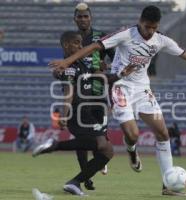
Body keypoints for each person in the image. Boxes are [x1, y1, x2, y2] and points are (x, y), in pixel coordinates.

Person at [49, 5, 186, 196]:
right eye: (147, 27)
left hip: (143, 90)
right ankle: (131, 148)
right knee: (133, 134)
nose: (150, 31)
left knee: (163, 133)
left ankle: (167, 186)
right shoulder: (126, 34)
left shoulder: (161, 40)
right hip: (120, 88)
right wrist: (67, 62)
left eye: (153, 27)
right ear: (140, 22)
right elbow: (95, 46)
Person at [32, 31, 134, 196]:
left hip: (86, 112)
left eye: (81, 43)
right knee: (103, 147)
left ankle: (75, 181)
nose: (81, 47)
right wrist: (64, 115)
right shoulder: (69, 68)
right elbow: (68, 91)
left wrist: (121, 74)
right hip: (77, 113)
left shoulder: (82, 64)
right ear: (66, 45)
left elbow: (101, 78)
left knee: (106, 150)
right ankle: (56, 149)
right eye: (77, 43)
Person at [73, 2, 115, 187]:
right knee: (80, 138)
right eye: (79, 16)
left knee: (100, 135)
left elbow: (116, 58)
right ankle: (85, 177)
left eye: (86, 16)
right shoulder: (71, 39)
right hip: (78, 92)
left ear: (91, 18)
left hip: (98, 92)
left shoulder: (101, 37)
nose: (83, 19)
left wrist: (109, 68)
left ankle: (99, 160)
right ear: (75, 19)